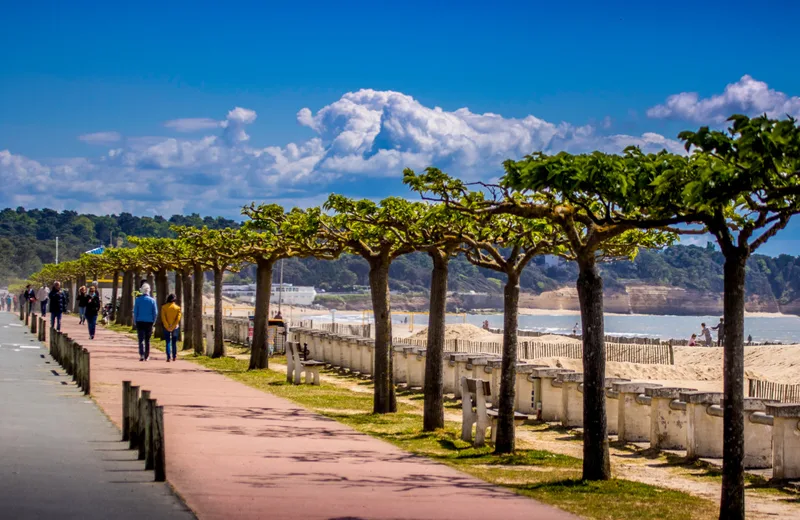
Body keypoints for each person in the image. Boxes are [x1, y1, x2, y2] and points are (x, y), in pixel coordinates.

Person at [133, 283, 158, 361]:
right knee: (147, 340)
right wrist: (153, 321)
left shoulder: (138, 300)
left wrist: (135, 321)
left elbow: (135, 312)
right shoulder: (152, 300)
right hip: (149, 322)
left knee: (140, 339)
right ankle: (147, 355)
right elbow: (155, 312)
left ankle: (141, 354)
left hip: (139, 321)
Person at [161, 293, 181, 362]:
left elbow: (163, 318)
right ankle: (174, 356)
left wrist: (167, 326)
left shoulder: (164, 307)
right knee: (174, 342)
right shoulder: (178, 308)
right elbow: (178, 319)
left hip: (166, 327)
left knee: (168, 342)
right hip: (175, 327)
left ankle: (168, 356)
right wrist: (173, 326)